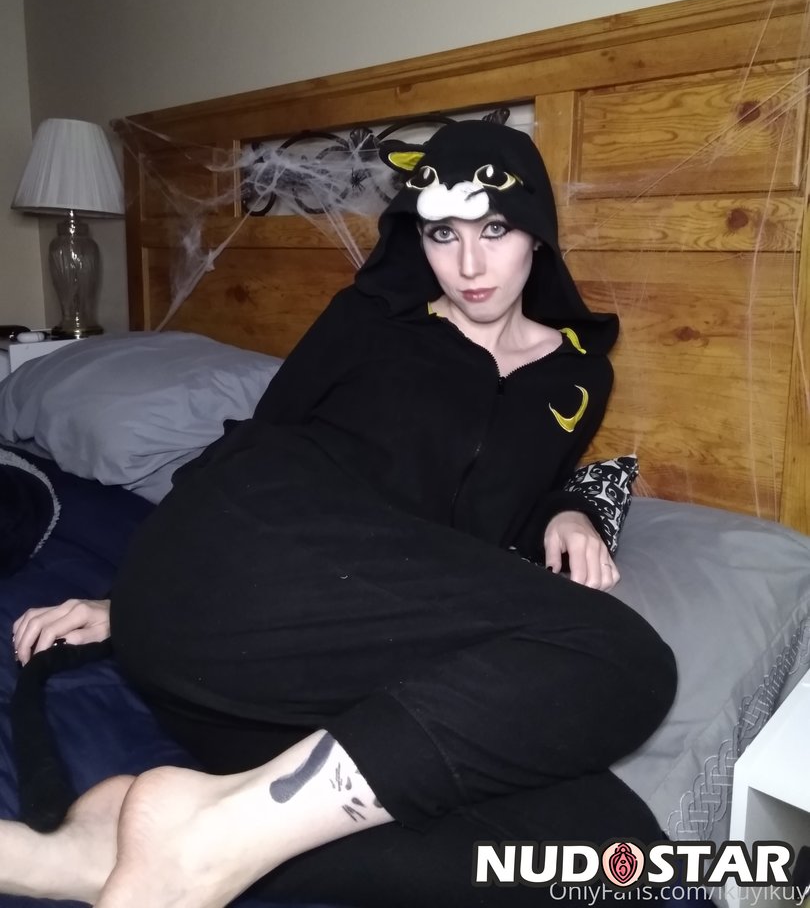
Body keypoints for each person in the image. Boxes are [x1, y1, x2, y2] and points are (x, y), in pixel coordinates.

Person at [6, 121, 676, 908]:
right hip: (244, 578)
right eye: (442, 233)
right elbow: (253, 448)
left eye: (494, 229)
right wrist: (126, 598)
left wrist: (570, 510)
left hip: (328, 656)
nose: (469, 265)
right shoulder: (373, 320)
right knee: (625, 656)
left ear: (537, 233)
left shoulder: (579, 378)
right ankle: (207, 840)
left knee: (609, 849)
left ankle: (114, 844)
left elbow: (520, 488)